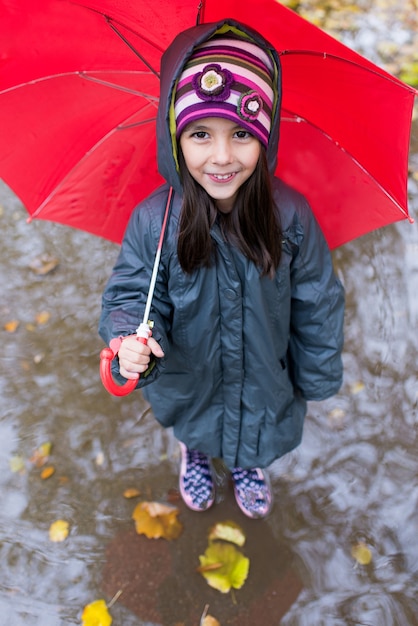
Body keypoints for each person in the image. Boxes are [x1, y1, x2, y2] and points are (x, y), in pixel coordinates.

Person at [99, 18, 345, 519]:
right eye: (200, 134)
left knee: (256, 426)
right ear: (174, 137)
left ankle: (248, 464)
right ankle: (195, 451)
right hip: (191, 374)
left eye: (241, 133)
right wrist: (128, 338)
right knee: (195, 418)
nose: (222, 156)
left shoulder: (289, 216)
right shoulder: (156, 221)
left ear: (266, 136)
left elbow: (318, 300)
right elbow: (130, 292)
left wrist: (314, 376)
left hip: (263, 372)